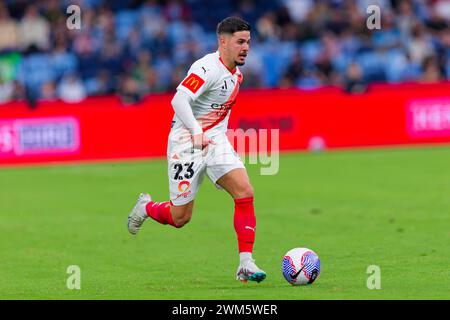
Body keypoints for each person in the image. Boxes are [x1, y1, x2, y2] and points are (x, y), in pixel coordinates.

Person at [127, 16, 266, 283]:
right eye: (240, 42)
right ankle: (146, 207)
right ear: (223, 42)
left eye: (248, 42)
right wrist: (196, 131)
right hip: (186, 144)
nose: (246, 47)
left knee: (245, 192)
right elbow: (179, 99)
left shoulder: (237, 75)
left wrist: (210, 135)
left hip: (214, 142)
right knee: (180, 218)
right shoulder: (206, 68)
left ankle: (245, 264)